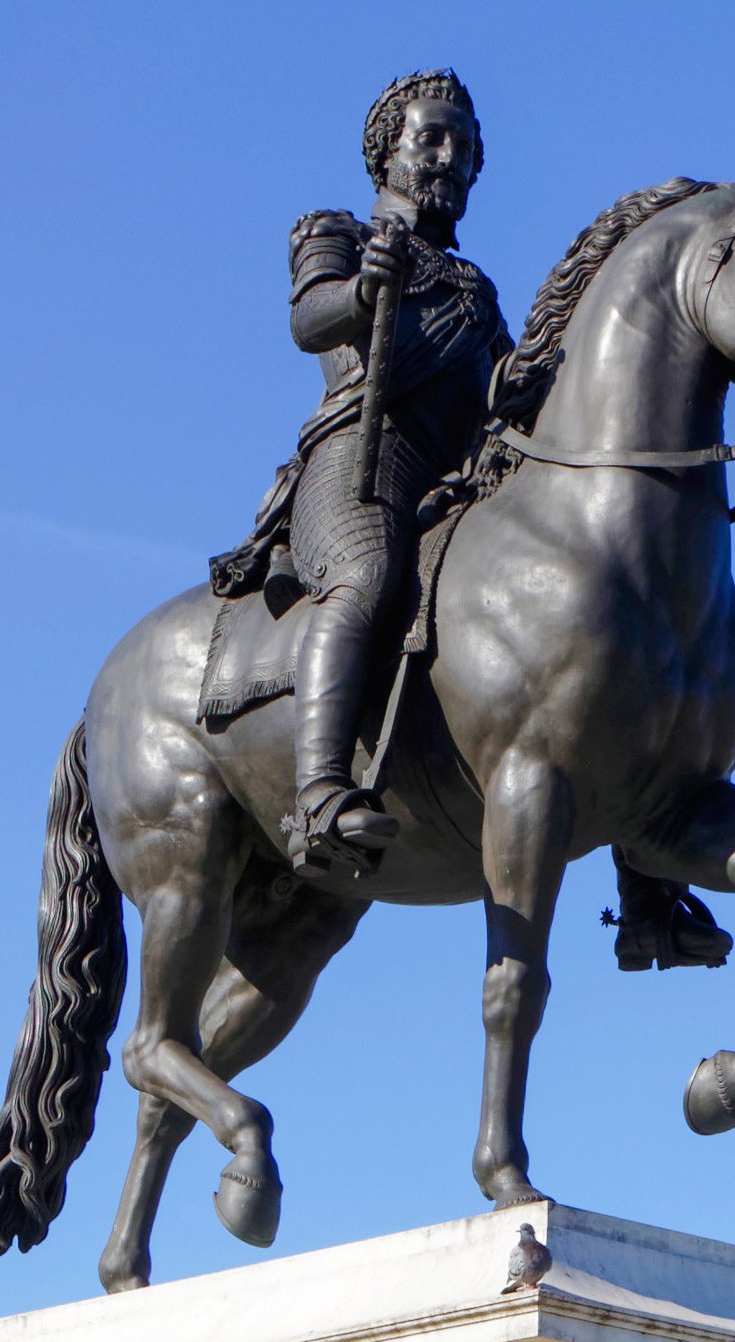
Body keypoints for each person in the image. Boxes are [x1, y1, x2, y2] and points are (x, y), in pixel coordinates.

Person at [208, 71, 504, 872]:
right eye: (432, 140)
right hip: (363, 458)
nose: (451, 158)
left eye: (465, 147)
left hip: (456, 480)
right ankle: (318, 796)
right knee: (367, 574)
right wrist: (363, 289)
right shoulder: (335, 231)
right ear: (387, 154)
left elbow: (505, 392)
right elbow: (311, 318)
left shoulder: (478, 292)